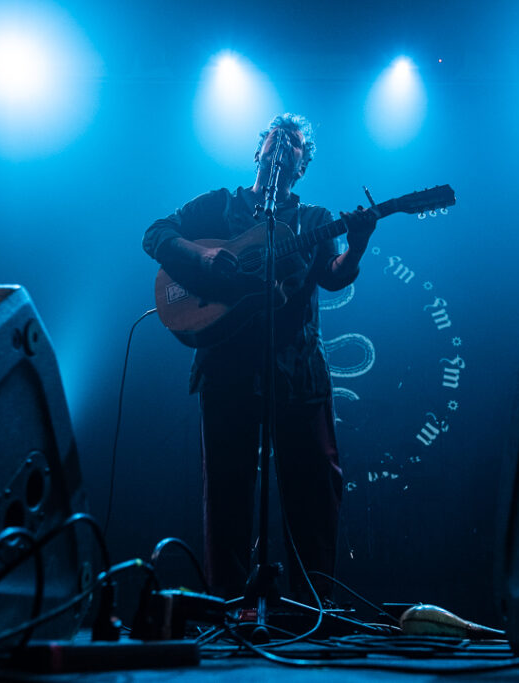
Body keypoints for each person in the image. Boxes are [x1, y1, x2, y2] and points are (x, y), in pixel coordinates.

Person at [142, 113, 377, 600]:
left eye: (294, 144)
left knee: (314, 490)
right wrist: (204, 258)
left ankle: (314, 611)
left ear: (302, 165)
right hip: (227, 368)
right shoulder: (218, 205)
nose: (283, 146)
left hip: (297, 371)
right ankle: (229, 609)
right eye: (277, 137)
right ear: (259, 150)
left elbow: (332, 276)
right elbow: (157, 235)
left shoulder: (312, 220)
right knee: (227, 492)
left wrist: (357, 246)